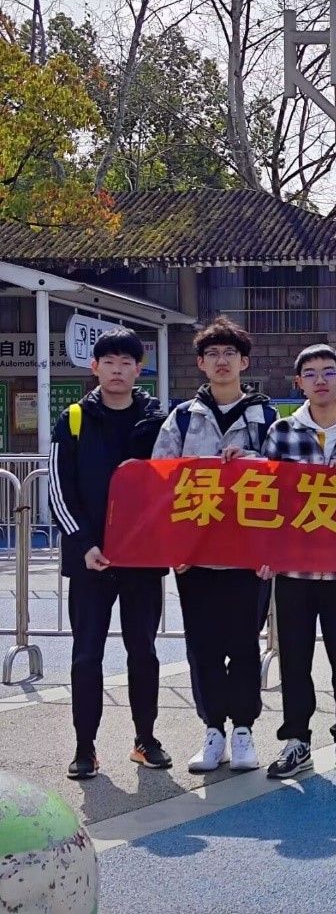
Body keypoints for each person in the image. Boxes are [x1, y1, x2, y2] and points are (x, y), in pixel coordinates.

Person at [152, 316, 276, 774]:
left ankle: (243, 730)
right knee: (202, 646)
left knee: (244, 644)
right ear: (201, 364)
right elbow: (160, 485)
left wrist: (253, 462)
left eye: (230, 354)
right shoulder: (182, 418)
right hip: (196, 557)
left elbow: (285, 485)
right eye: (212, 354)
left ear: (244, 362)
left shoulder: (266, 418)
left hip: (249, 558)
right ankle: (213, 731)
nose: (222, 361)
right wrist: (173, 549)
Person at [50, 328, 170, 780]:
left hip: (143, 560)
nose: (118, 370)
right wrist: (84, 544)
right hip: (90, 561)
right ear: (94, 366)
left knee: (144, 651)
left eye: (127, 362)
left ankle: (146, 739)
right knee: (86, 655)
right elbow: (59, 489)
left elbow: (175, 485)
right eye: (109, 362)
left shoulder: (158, 420)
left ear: (139, 369)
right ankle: (85, 748)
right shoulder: (74, 419)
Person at [257, 345, 336, 780]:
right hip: (294, 570)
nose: (320, 380)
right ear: (299, 383)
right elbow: (267, 498)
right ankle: (296, 741)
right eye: (310, 374)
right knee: (294, 658)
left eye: (329, 372)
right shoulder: (281, 432)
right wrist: (265, 552)